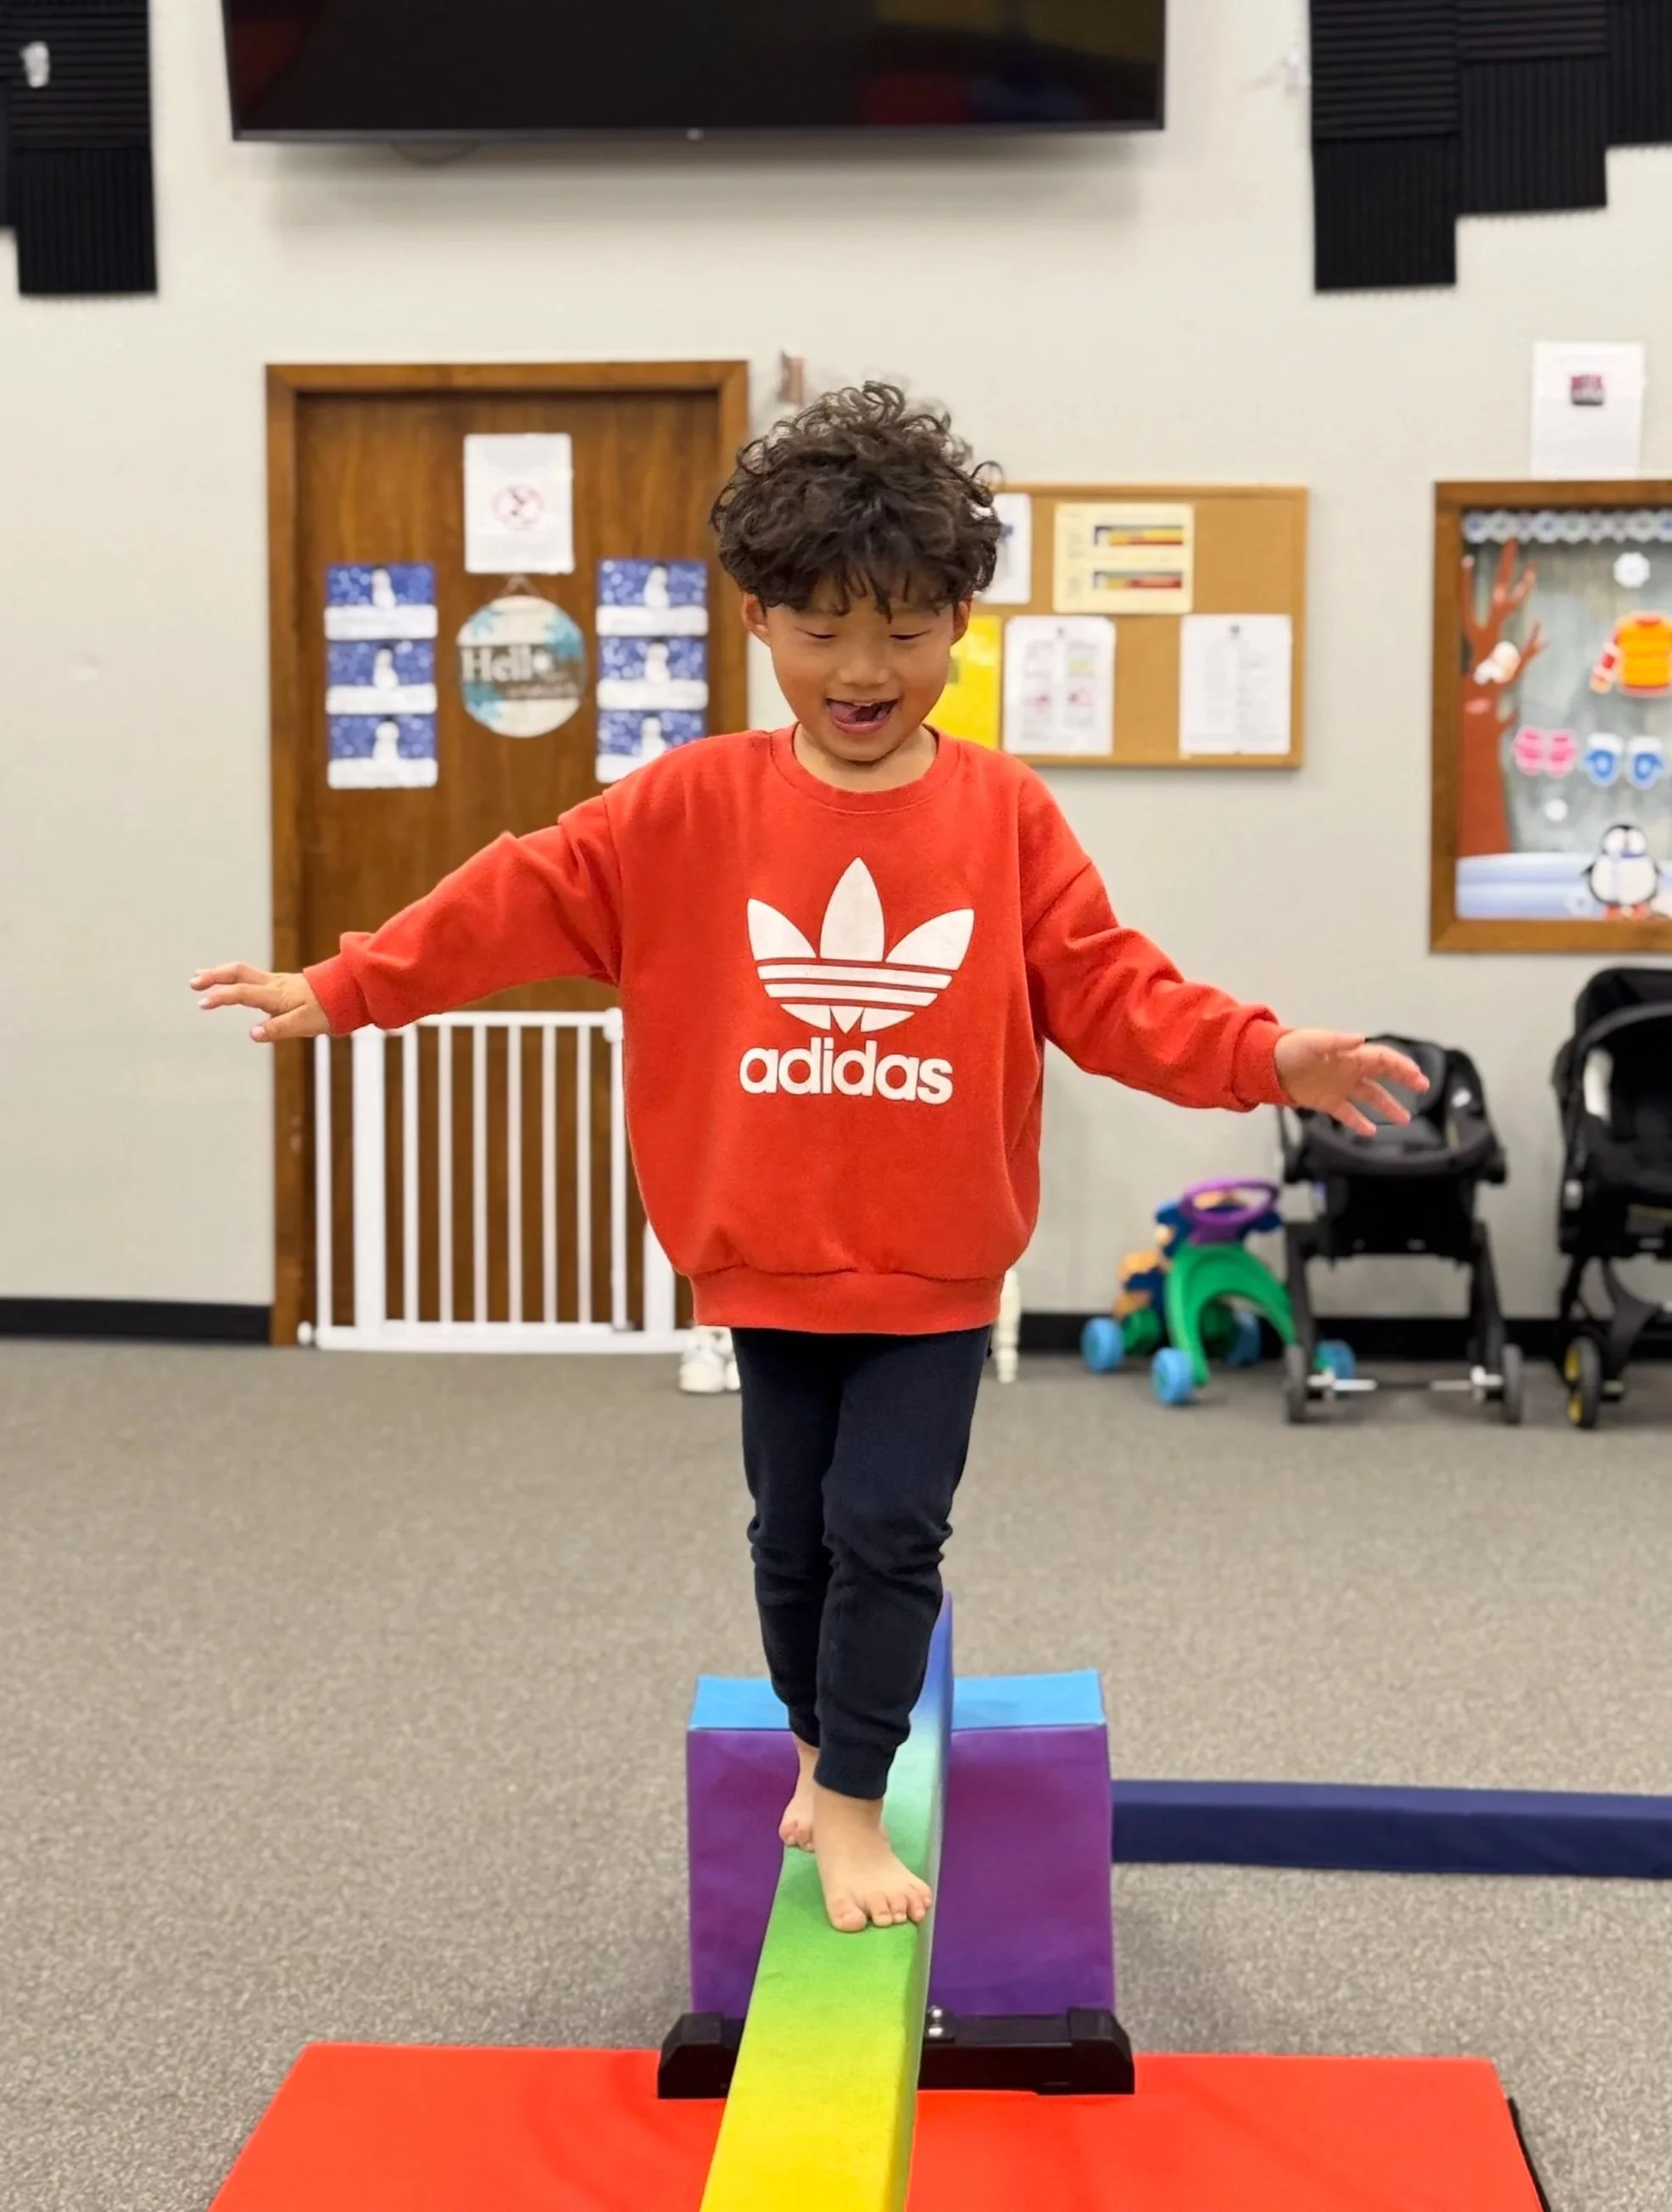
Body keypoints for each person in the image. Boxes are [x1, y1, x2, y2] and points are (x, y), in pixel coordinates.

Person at [192, 384, 1424, 1937]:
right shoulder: (688, 806)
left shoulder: (1002, 813)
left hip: (931, 1268)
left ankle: (850, 1796)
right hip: (762, 1253)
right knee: (790, 1537)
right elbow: (513, 898)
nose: (865, 671)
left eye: (907, 632)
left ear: (962, 626)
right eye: (827, 628)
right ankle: (816, 1747)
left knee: (886, 1528)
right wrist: (348, 986)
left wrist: (1267, 1055)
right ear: (759, 616)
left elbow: (1113, 992)